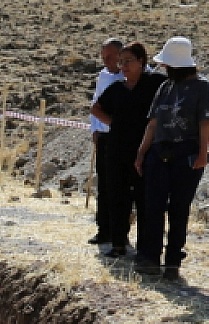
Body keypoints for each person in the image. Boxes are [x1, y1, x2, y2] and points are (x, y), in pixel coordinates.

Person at [134, 37, 209, 279]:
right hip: (159, 153)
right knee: (153, 207)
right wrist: (141, 153)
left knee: (179, 208)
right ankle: (150, 257)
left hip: (186, 154)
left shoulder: (202, 87)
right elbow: (153, 123)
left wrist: (202, 154)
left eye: (169, 65)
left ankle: (172, 261)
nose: (165, 69)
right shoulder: (165, 88)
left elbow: (205, 122)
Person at [91, 42, 163, 258]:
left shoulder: (155, 83)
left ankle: (145, 249)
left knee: (144, 199)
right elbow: (95, 108)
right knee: (117, 197)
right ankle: (118, 243)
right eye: (121, 62)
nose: (123, 66)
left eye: (128, 61)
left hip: (146, 151)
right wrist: (116, 124)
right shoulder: (116, 88)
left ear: (141, 61)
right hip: (117, 151)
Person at [88, 37, 126, 246]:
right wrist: (94, 129)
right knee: (104, 187)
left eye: (110, 56)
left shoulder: (130, 77)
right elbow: (95, 105)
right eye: (103, 57)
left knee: (121, 187)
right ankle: (103, 230)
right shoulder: (103, 76)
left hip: (123, 138)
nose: (106, 61)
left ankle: (121, 234)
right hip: (104, 137)